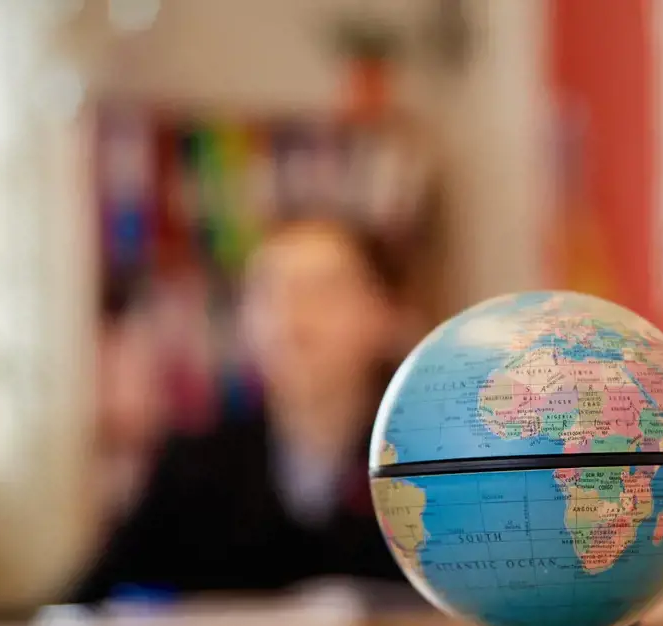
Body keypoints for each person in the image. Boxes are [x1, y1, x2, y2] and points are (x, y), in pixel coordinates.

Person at [71, 218, 418, 602]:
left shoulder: (429, 465)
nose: (294, 315)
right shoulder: (194, 467)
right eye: (271, 292)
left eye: (323, 290)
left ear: (386, 313)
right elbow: (85, 609)